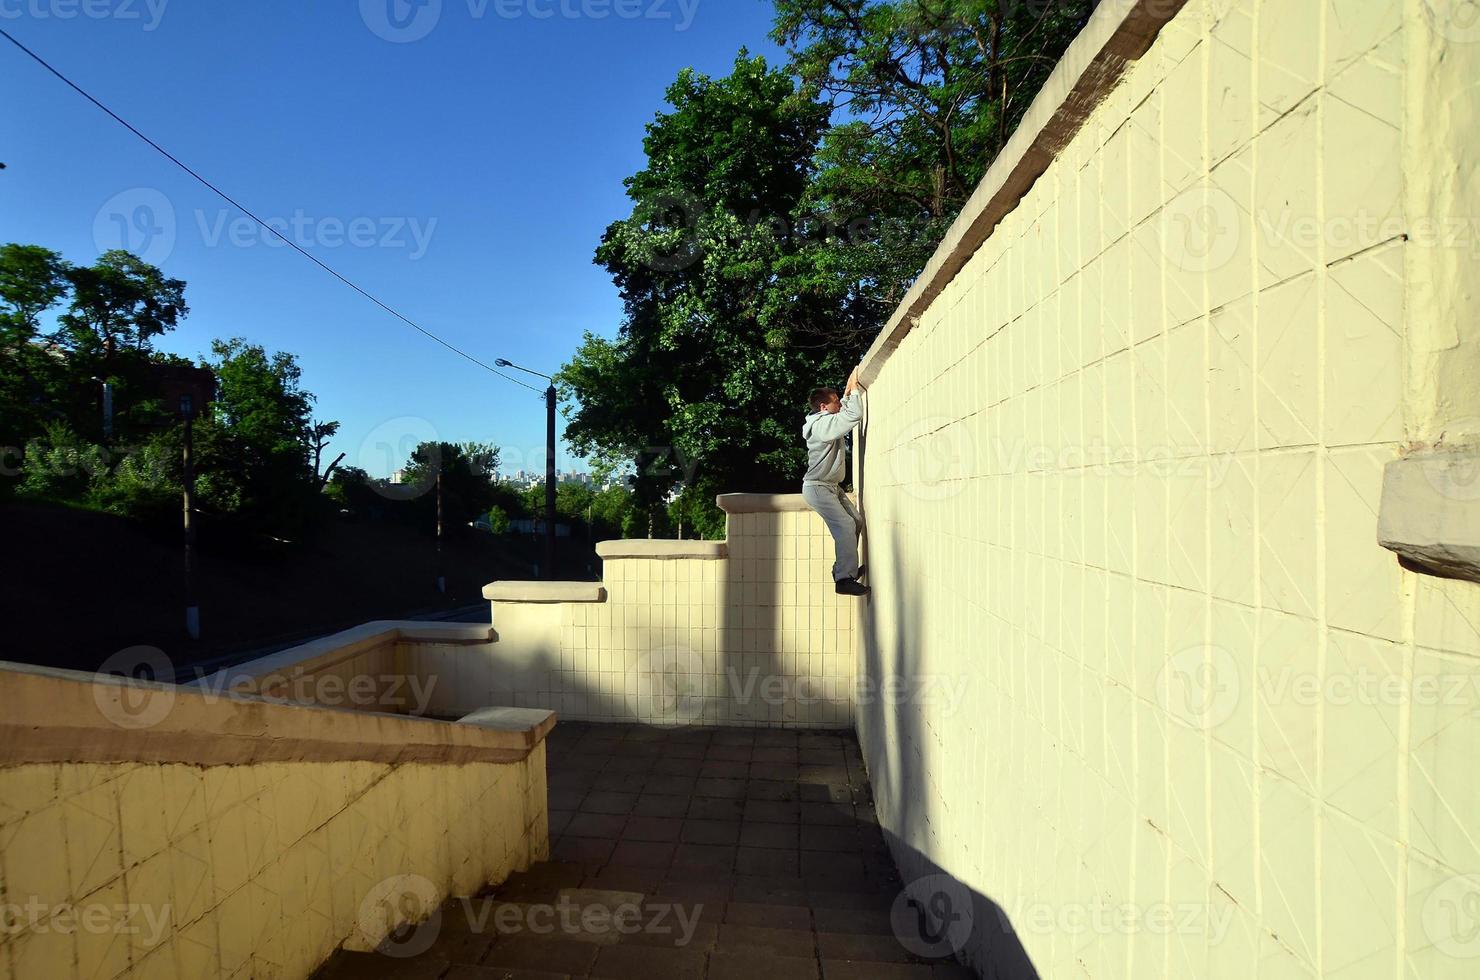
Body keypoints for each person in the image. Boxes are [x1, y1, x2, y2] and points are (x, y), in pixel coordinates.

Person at [802, 366, 869, 596]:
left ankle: (843, 569)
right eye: (836, 401)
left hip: (829, 487)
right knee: (845, 526)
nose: (839, 404)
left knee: (855, 521)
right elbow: (853, 416)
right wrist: (852, 392)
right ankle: (843, 579)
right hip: (818, 487)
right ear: (823, 407)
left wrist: (847, 395)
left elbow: (845, 415)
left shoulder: (825, 421)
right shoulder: (821, 425)